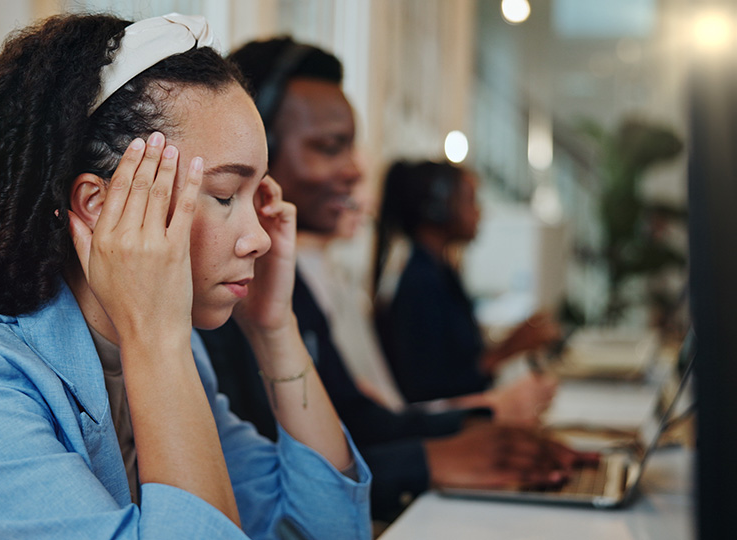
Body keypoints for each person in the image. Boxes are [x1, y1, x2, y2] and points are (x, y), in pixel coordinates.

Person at [0, 14, 371, 539]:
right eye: (226, 196)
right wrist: (157, 341)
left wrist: (274, 329)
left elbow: (323, 530)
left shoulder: (169, 351)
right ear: (97, 204)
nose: (261, 237)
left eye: (258, 198)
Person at [200, 36, 587, 523]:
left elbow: (349, 424)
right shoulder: (215, 300)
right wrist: (434, 457)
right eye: (328, 147)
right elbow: (266, 483)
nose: (357, 170)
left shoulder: (279, 288)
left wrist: (473, 426)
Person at [374, 160, 562, 404]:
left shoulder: (440, 271)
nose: (480, 211)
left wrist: (509, 344)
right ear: (437, 208)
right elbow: (427, 389)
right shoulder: (419, 282)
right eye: (471, 199)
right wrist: (505, 352)